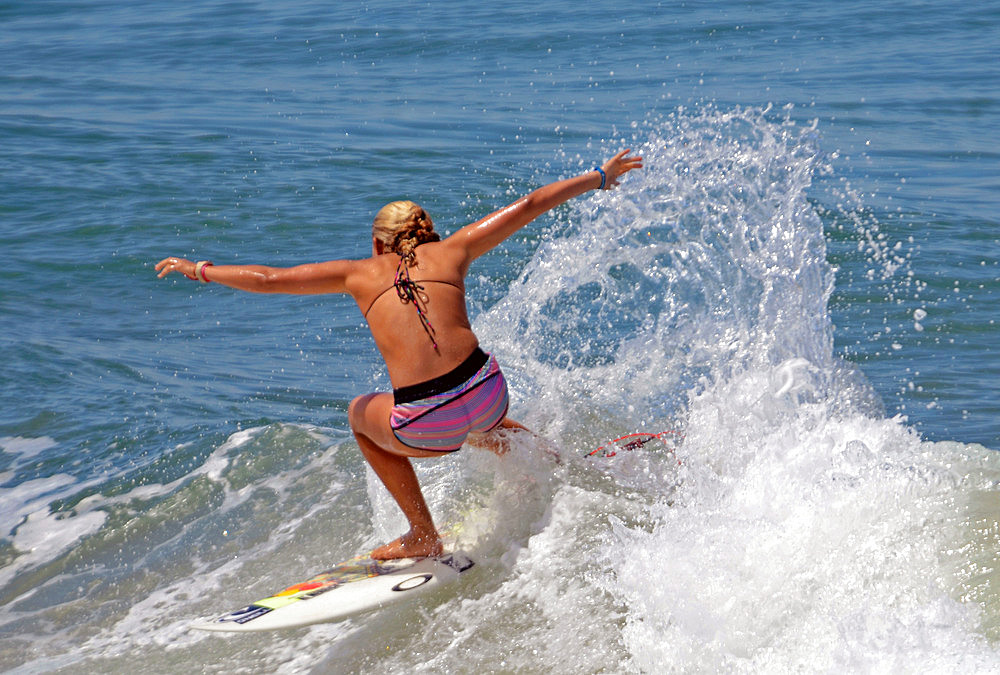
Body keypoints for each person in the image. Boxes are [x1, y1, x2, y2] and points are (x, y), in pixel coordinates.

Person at [155, 149, 643, 559]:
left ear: (377, 243)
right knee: (473, 412)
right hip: (492, 393)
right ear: (427, 232)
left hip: (431, 424)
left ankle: (422, 535)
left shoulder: (356, 273)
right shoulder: (456, 250)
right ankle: (561, 462)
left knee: (360, 415)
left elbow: (269, 279)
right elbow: (531, 203)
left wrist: (197, 269)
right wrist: (600, 177)